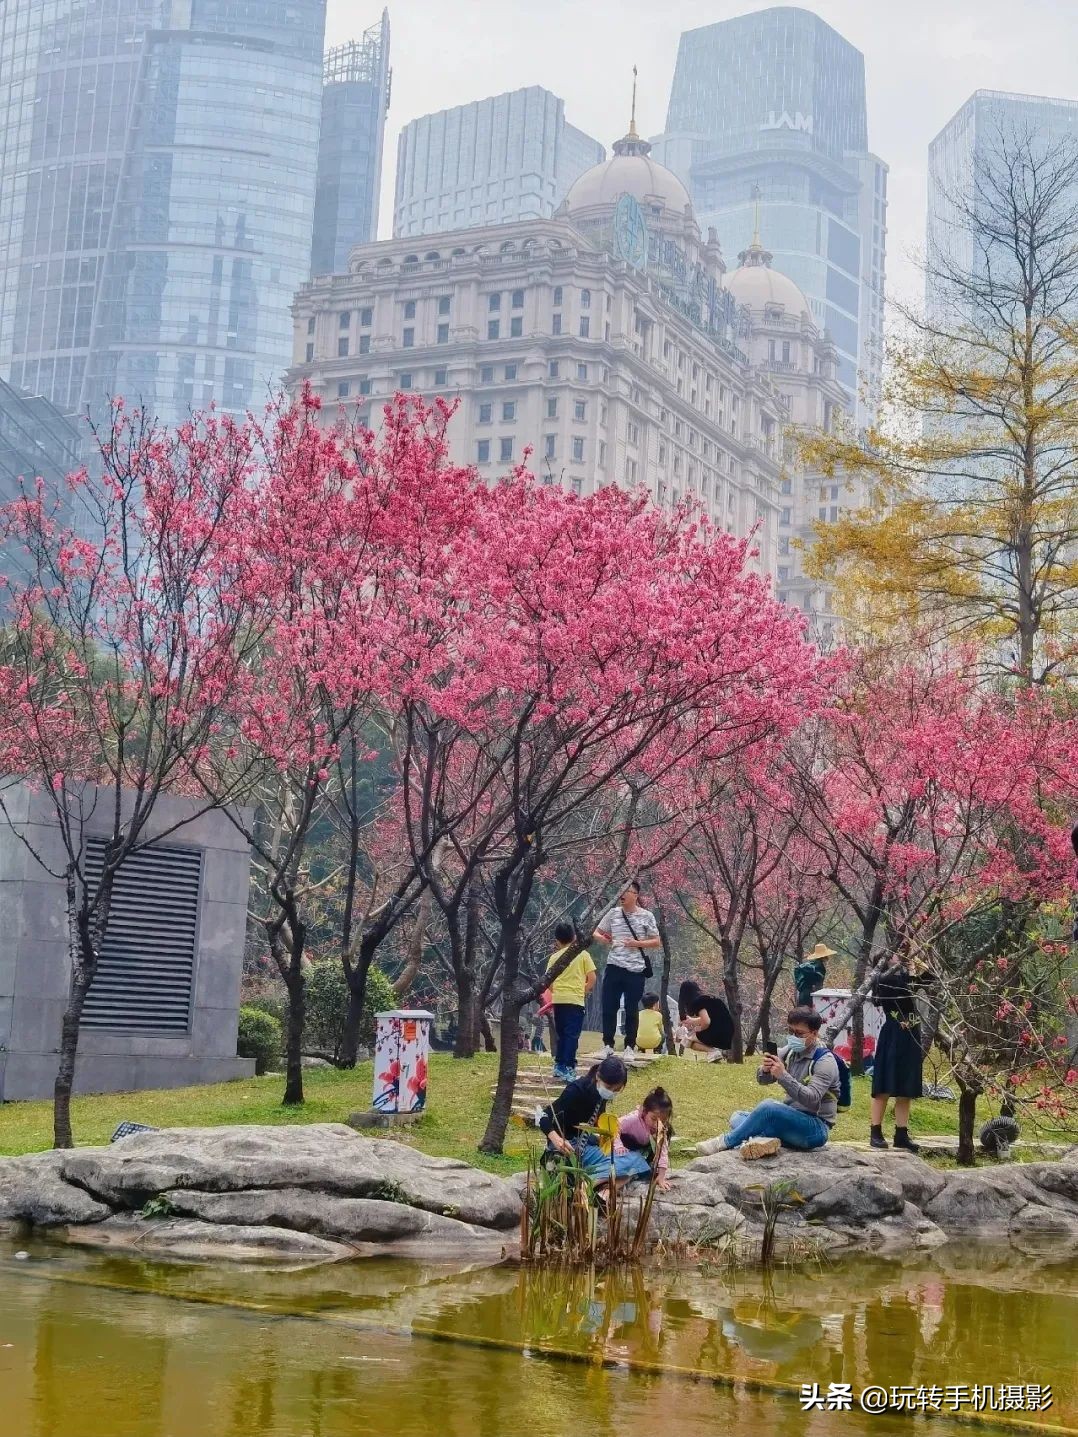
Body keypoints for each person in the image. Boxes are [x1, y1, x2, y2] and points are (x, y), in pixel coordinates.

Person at [711, 1007, 839, 1158]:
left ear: (815, 1033)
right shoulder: (790, 1051)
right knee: (737, 1116)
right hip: (788, 1119)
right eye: (791, 1031)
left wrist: (783, 1076)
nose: (794, 1037)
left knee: (768, 1107)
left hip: (815, 1128)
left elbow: (811, 1099)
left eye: (799, 1033)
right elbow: (762, 1080)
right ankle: (765, 1140)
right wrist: (765, 1070)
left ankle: (724, 1142)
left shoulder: (825, 1061)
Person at [538, 1055, 646, 1188]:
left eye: (617, 1090)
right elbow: (544, 1116)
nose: (611, 1092)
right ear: (598, 1076)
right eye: (609, 1087)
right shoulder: (576, 1091)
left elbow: (594, 1123)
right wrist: (556, 1139)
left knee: (635, 1157)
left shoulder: (600, 1094)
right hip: (569, 1148)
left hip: (585, 1143)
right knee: (630, 1163)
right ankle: (590, 1184)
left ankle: (597, 1181)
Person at [594, 881, 662, 1058]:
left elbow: (656, 941)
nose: (622, 894)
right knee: (609, 1007)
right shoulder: (613, 913)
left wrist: (636, 943)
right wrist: (603, 939)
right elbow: (596, 932)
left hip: (635, 970)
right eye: (621, 890)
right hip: (614, 966)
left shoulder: (646, 916)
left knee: (632, 1009)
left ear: (635, 895)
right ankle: (607, 1045)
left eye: (626, 891)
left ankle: (629, 1047)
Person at [869, 963, 926, 1151]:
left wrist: (918, 965)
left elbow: (929, 981)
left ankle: (901, 1134)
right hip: (894, 1032)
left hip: (911, 1032)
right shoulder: (886, 977)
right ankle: (875, 1131)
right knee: (884, 1084)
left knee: (906, 1088)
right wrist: (910, 972)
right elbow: (888, 999)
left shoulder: (907, 974)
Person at [545, 921, 597, 1081]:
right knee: (571, 1035)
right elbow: (592, 978)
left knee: (562, 1034)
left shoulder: (554, 957)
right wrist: (583, 991)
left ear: (557, 940)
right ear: (574, 937)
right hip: (575, 1002)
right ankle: (568, 1067)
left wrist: (558, 992)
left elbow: (549, 981)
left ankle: (559, 1065)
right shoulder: (582, 955)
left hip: (559, 1001)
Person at [616, 1086, 674, 1190]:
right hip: (622, 1149)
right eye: (653, 1119)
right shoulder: (632, 1120)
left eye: (663, 1121)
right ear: (644, 1111)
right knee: (632, 1164)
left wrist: (661, 1177)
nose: (657, 1124)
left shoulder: (661, 1128)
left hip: (640, 1150)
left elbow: (663, 1151)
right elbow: (613, 1128)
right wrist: (618, 1146)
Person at [677, 979, 735, 1062]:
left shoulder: (697, 1002)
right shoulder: (707, 998)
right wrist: (692, 1021)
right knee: (690, 1042)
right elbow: (709, 1018)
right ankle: (714, 1053)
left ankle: (713, 1051)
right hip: (727, 1032)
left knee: (687, 1040)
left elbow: (707, 1022)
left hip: (718, 1033)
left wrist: (700, 1029)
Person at [793, 943, 835, 1008]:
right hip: (810, 996)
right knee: (810, 1013)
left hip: (802, 995)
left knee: (802, 1012)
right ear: (824, 956)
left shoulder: (811, 964)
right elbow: (817, 983)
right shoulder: (819, 967)